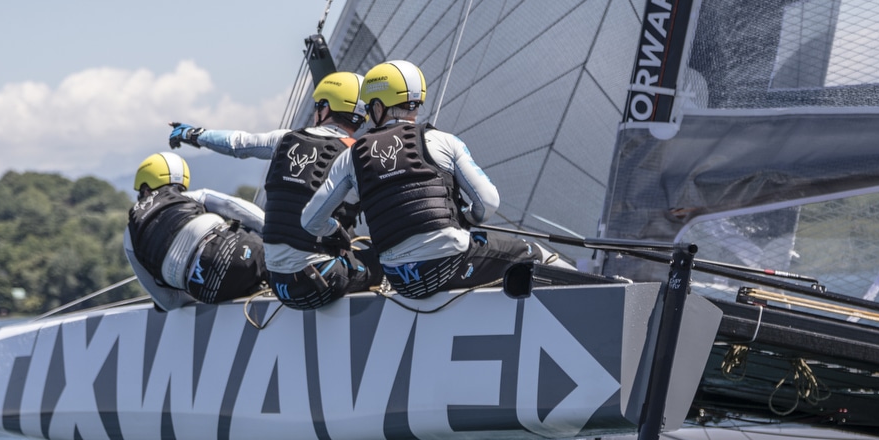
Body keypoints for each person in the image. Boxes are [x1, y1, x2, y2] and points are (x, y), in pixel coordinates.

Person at [300, 59, 567, 300]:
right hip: (450, 265)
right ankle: (605, 288)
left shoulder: (352, 156)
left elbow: (311, 221)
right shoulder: (443, 141)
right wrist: (468, 218)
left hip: (400, 280)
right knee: (535, 253)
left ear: (379, 106)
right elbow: (488, 203)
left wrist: (336, 231)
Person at [167, 72, 381, 310]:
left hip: (278, 283)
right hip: (319, 283)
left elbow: (238, 143)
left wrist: (193, 134)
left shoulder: (284, 139)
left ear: (325, 107)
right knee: (381, 260)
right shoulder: (359, 154)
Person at [124, 151, 267, 310]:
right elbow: (237, 208)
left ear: (144, 190)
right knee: (281, 257)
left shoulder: (130, 236)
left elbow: (168, 302)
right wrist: (278, 234)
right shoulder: (191, 196)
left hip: (205, 290)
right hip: (232, 251)